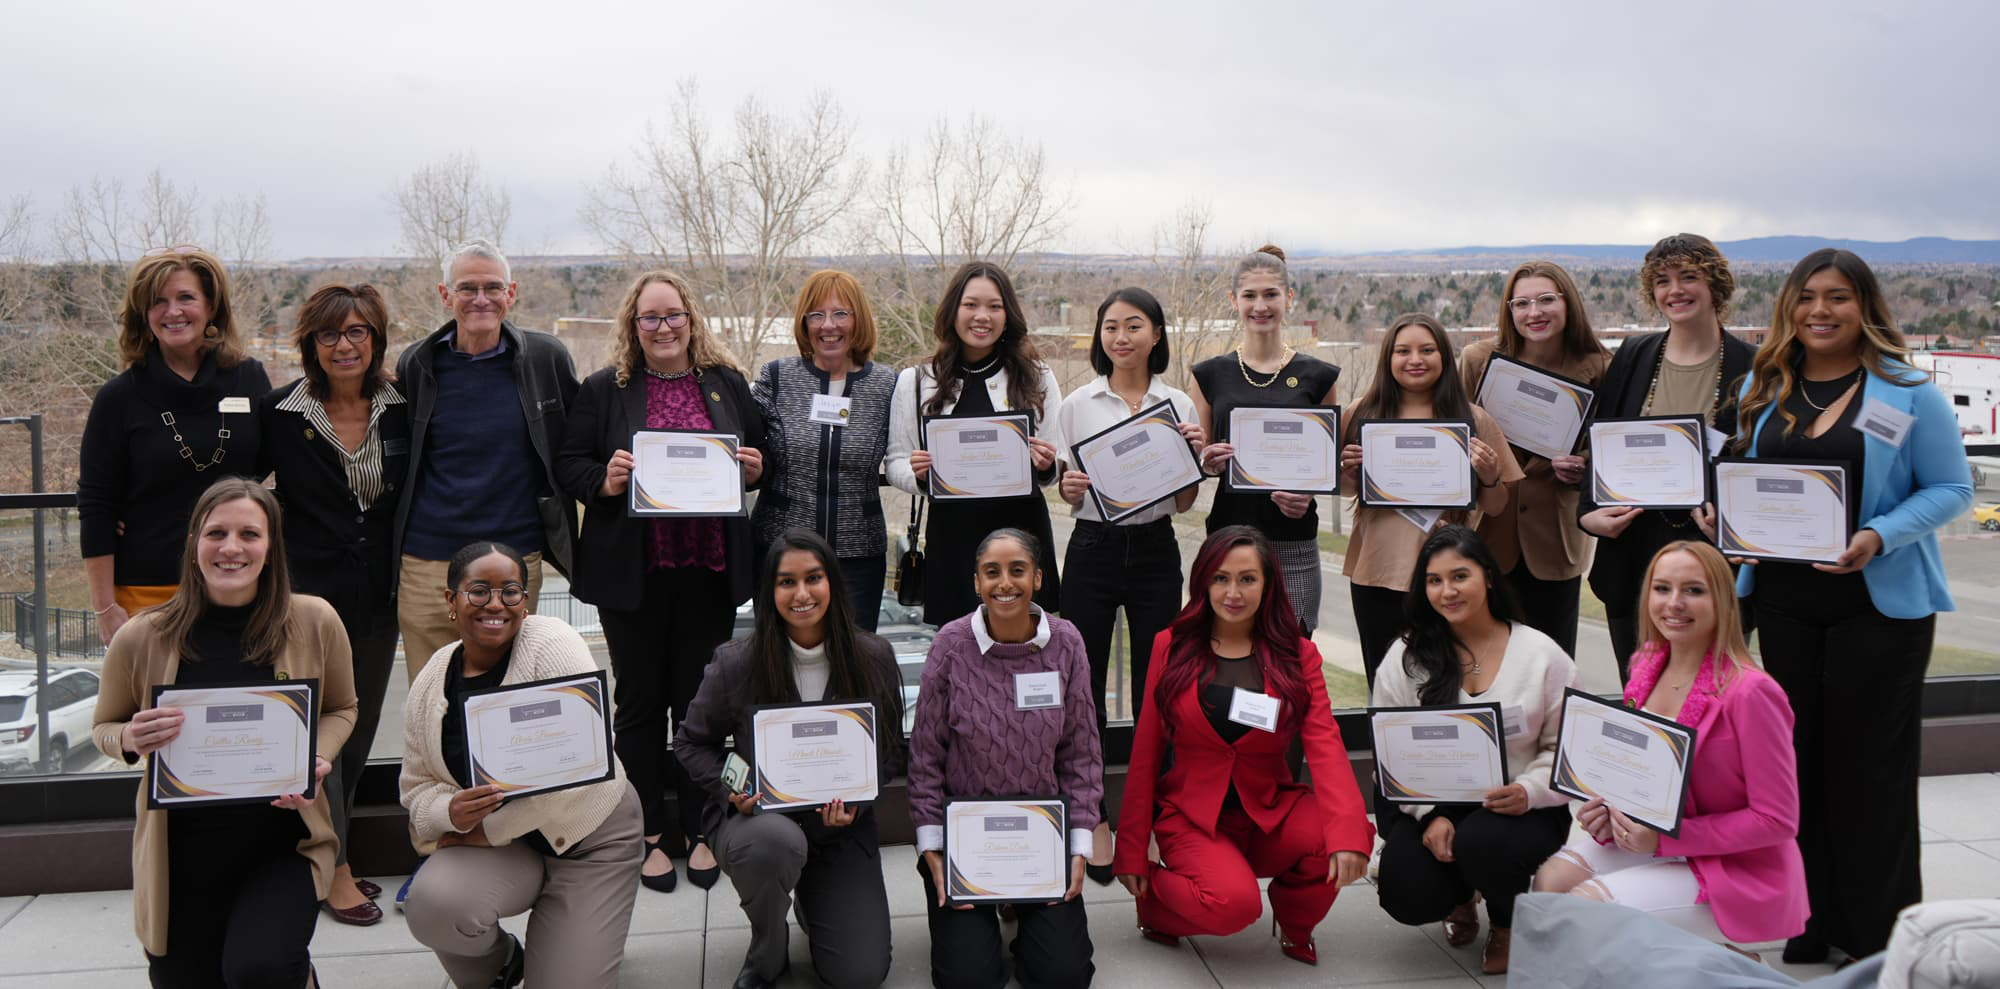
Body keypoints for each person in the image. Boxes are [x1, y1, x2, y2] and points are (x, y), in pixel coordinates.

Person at [1700, 249, 1972, 963]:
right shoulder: (1770, 387)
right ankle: (1810, 917)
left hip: (1878, 606)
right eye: (1807, 297)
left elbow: (1951, 489)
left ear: (1865, 307)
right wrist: (1723, 518)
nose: (1820, 310)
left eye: (1838, 297)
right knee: (1795, 765)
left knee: (1869, 773)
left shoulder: (1910, 393)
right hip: (1786, 602)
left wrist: (1877, 535)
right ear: (1789, 307)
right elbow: (1752, 479)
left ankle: (1876, 934)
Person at [90, 478, 357, 987]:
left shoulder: (314, 620)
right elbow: (104, 727)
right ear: (194, 544)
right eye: (216, 533)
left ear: (271, 547)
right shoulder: (144, 635)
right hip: (181, 858)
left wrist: (315, 758)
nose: (231, 548)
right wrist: (129, 738)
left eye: (249, 534)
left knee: (260, 969)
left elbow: (342, 708)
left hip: (285, 845)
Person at [554, 269, 767, 894]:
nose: (664, 327)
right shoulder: (604, 389)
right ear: (633, 326)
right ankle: (647, 832)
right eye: (650, 318)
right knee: (641, 706)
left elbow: (757, 456)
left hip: (708, 570)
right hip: (635, 576)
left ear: (691, 320)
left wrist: (752, 469)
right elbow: (569, 466)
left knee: (704, 708)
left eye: (673, 315)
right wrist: (607, 480)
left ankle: (706, 828)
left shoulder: (725, 385)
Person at [1112, 526, 1372, 965]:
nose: (1233, 592)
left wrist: (1348, 836)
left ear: (1268, 584)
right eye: (1220, 578)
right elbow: (1146, 751)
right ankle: (1155, 903)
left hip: (1268, 810)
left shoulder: (1297, 654)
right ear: (1203, 583)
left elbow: (1325, 742)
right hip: (1192, 817)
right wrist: (1132, 852)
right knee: (1235, 905)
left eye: (1247, 579)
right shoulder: (1169, 647)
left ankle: (1295, 923)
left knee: (1349, 834)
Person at [1532, 540, 1806, 954]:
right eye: (1662, 589)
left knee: (1586, 910)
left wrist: (1662, 842)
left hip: (1736, 867)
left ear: (1722, 601)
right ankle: (1722, 969)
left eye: (1693, 590)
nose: (1674, 603)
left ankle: (1726, 963)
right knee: (1549, 883)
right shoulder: (1645, 664)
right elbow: (1639, 772)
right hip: (1656, 837)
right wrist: (1608, 810)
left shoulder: (1752, 693)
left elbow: (1777, 820)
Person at [400, 542, 645, 989]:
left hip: (590, 840)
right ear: (450, 600)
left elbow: (583, 767)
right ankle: (504, 962)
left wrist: (483, 831)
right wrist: (448, 813)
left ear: (526, 602)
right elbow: (416, 788)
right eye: (478, 590)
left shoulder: (552, 644)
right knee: (433, 903)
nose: (495, 603)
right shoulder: (433, 677)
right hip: (507, 849)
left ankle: (573, 945)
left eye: (510, 591)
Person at [674, 532, 906, 989]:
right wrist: (733, 786)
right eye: (786, 582)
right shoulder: (737, 663)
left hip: (839, 828)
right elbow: (690, 743)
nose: (801, 594)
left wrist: (859, 800)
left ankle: (808, 896)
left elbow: (889, 750)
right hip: (758, 824)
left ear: (833, 584)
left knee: (858, 975)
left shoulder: (872, 657)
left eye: (813, 578)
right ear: (770, 592)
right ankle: (767, 950)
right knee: (774, 843)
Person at [256, 283, 409, 926]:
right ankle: (334, 868)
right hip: (307, 604)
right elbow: (239, 489)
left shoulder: (405, 407)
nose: (343, 346)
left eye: (356, 333)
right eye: (328, 335)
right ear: (310, 343)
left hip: (379, 594)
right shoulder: (280, 413)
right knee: (316, 734)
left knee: (358, 729)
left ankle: (328, 853)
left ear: (374, 339)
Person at [1370, 526, 1577, 975]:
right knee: (1405, 891)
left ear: (1487, 575)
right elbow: (1390, 750)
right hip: (1431, 802)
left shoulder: (1542, 655)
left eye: (1459, 576)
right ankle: (1461, 896)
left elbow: (1563, 749)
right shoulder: (1407, 657)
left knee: (1484, 841)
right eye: (1434, 580)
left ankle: (1505, 921)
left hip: (1518, 807)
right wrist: (1428, 814)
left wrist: (1529, 791)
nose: (1447, 591)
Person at [1050, 286, 1206, 882]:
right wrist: (1068, 490)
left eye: (1134, 326)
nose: (1121, 337)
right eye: (1110, 326)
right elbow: (1069, 488)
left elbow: (1187, 500)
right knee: (1081, 683)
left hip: (1156, 550)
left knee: (1157, 686)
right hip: (1092, 549)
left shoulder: (1179, 405)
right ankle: (1092, 815)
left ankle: (1151, 817)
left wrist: (1192, 460)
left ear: (1157, 335)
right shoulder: (1078, 404)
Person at [909, 528, 1102, 988]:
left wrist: (1078, 846)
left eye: (1018, 570)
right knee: (967, 980)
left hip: (1040, 834)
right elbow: (925, 756)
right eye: (991, 572)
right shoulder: (951, 646)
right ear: (976, 582)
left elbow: (1082, 751)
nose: (1005, 583)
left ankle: (1023, 913)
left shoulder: (1067, 642)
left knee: (1065, 977)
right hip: (965, 838)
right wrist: (932, 847)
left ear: (1037, 578)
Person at [393, 238, 579, 682]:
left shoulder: (544, 359)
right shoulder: (416, 364)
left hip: (513, 557)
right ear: (445, 295)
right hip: (427, 563)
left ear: (511, 293)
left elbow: (578, 445)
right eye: (467, 288)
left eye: (493, 287)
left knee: (512, 698)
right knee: (432, 697)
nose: (481, 299)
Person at [1580, 234, 1755, 681]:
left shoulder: (1755, 367)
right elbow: (1602, 441)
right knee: (1639, 695)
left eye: (1688, 277)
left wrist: (1736, 521)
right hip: (1633, 553)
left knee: (1710, 695)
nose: (1674, 290)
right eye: (1662, 281)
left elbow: (1759, 461)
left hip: (1711, 556)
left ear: (1715, 284)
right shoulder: (1636, 356)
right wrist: (1589, 515)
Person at [79, 246, 272, 644]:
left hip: (241, 587)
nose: (173, 312)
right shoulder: (118, 399)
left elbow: (279, 467)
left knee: (235, 704)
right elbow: (97, 505)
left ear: (212, 306)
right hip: (148, 593)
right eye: (157, 302)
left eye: (186, 297)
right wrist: (104, 607)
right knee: (156, 707)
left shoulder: (250, 379)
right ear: (143, 315)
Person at [1341, 315, 1523, 684]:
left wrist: (1488, 475)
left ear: (1444, 357)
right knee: (1385, 681)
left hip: (1448, 577)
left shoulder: (1473, 419)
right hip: (1377, 573)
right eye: (1402, 351)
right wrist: (1348, 470)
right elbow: (1345, 490)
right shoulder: (1362, 413)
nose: (1415, 360)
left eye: (1428, 350)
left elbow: (1497, 506)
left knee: (1447, 682)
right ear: (1387, 359)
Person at [886, 262, 1064, 628]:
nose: (982, 316)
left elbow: (1058, 458)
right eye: (970, 305)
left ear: (1007, 314)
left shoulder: (1038, 376)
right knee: (961, 652)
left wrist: (1048, 465)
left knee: (1026, 647)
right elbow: (895, 462)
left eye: (994, 306)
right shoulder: (917, 380)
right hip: (953, 537)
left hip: (1022, 534)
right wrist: (919, 476)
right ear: (953, 310)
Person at [1458, 262, 1611, 656]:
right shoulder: (1478, 360)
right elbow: (1455, 436)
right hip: (1489, 532)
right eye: (1521, 303)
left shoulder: (1599, 366)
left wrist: (1585, 467)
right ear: (1509, 310)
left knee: (1552, 663)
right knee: (1485, 659)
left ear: (1568, 303)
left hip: (1555, 538)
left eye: (1546, 300)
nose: (1534, 313)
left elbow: (1610, 447)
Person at [1191, 245, 1340, 633]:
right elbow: (1199, 460)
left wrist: (1307, 494)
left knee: (1295, 660)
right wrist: (1206, 461)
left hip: (1293, 542)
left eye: (1271, 294)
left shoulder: (1320, 376)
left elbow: (1324, 465)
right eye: (1249, 295)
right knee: (1227, 656)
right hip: (1228, 544)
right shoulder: (1208, 375)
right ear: (1233, 301)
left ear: (1289, 298)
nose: (1261, 305)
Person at [751, 270, 897, 630]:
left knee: (853, 670)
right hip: (781, 552)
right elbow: (748, 449)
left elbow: (905, 454)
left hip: (858, 557)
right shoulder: (777, 377)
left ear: (859, 319)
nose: (828, 325)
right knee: (780, 668)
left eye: (841, 314)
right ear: (804, 323)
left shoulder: (889, 385)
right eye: (816, 315)